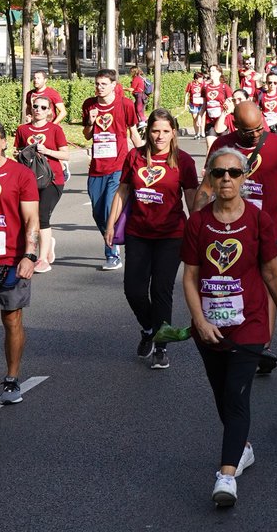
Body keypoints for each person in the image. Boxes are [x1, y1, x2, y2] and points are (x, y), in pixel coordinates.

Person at [182, 148, 277, 507]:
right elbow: (190, 276)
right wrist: (199, 319)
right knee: (222, 395)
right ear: (210, 179)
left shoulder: (259, 220)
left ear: (244, 177)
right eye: (219, 173)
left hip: (250, 324)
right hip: (209, 326)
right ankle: (242, 447)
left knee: (235, 394)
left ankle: (226, 475)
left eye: (233, 172)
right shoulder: (198, 222)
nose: (226, 178)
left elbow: (272, 273)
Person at [198, 102, 277, 371]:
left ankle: (262, 347)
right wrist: (197, 222)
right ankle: (238, 336)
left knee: (266, 282)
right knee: (235, 284)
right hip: (227, 228)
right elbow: (206, 188)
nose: (255, 134)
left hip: (268, 228)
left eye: (259, 129)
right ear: (234, 125)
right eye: (248, 131)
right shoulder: (222, 145)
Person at [106, 109, 199, 369]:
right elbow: (123, 190)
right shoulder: (134, 156)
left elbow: (192, 199)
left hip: (171, 235)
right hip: (139, 232)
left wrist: (198, 230)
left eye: (166, 131)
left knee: (161, 290)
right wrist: (110, 224)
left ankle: (161, 345)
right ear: (148, 131)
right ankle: (149, 328)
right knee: (133, 290)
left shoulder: (184, 161)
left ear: (174, 133)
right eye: (155, 131)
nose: (160, 136)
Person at [0, 122, 46, 404]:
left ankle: (11, 378)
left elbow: (32, 219)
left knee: (11, 319)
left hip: (11, 259)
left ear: (3, 142)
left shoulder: (20, 175)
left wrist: (29, 255)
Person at [82, 68, 144, 271]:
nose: (99, 88)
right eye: (97, 84)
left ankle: (112, 252)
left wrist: (145, 156)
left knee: (110, 207)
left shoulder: (125, 104)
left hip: (119, 165)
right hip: (97, 167)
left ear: (114, 86)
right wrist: (91, 122)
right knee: (97, 212)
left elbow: (133, 133)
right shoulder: (89, 105)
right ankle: (113, 236)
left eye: (104, 84)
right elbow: (87, 135)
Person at [16, 98, 69, 272]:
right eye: (35, 106)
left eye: (43, 107)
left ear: (49, 111)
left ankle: (42, 258)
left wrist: (46, 151)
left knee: (42, 216)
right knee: (28, 218)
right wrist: (21, 153)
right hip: (29, 180)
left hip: (52, 180)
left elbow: (66, 155)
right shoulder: (22, 129)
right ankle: (45, 243)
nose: (38, 109)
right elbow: (17, 152)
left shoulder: (55, 129)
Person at [186, 71, 206, 139]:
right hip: (193, 104)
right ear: (196, 79)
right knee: (195, 119)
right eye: (200, 78)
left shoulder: (203, 84)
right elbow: (187, 94)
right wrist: (185, 104)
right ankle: (197, 133)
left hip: (201, 103)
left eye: (202, 78)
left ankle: (202, 132)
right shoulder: (191, 84)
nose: (202, 80)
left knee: (202, 117)